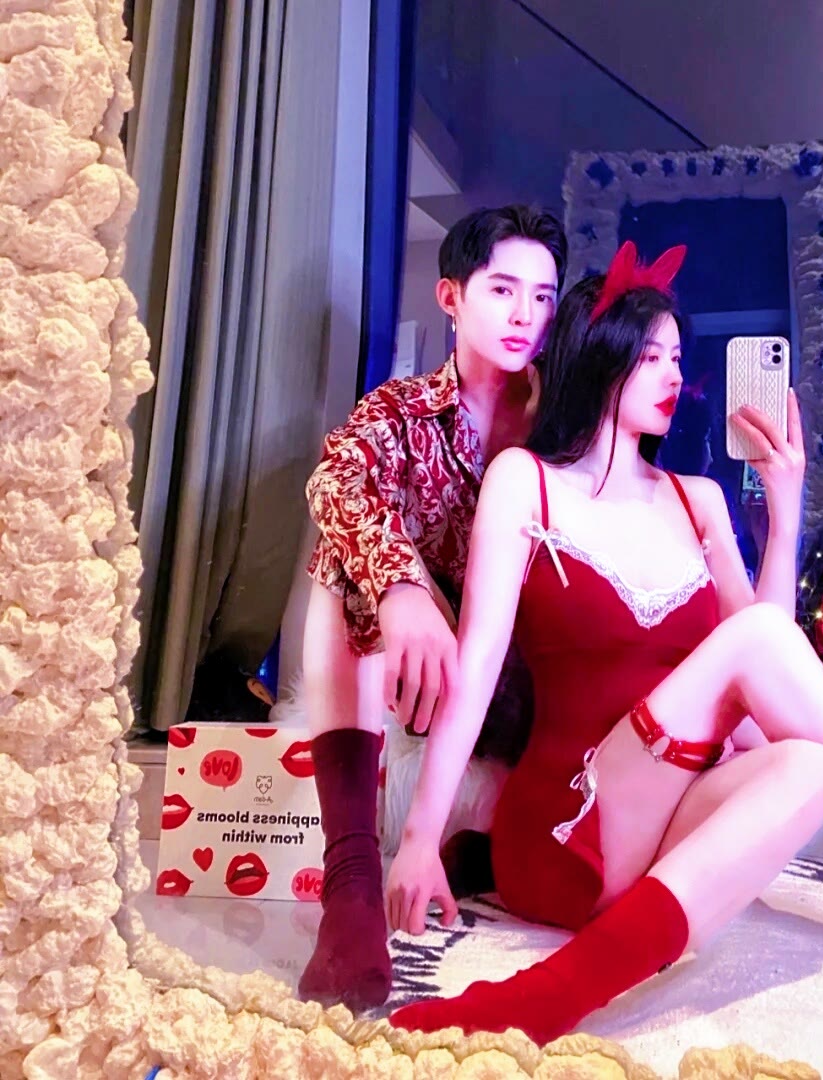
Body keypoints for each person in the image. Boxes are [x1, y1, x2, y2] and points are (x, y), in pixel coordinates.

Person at [384, 241, 823, 1045]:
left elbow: (768, 679)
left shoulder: (696, 499)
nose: (674, 376)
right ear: (600, 359)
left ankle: (559, 992)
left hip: (668, 824)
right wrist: (419, 839)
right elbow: (479, 665)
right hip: (568, 823)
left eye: (677, 358)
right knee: (758, 640)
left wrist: (785, 505)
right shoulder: (526, 482)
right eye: (651, 357)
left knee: (817, 762)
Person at [298, 205, 568, 1011]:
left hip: (541, 681)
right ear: (451, 297)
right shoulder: (403, 411)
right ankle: (351, 880)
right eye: (503, 290)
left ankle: (486, 846)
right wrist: (402, 585)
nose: (525, 315)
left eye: (544, 297)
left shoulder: (568, 420)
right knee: (342, 562)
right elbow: (335, 480)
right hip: (430, 673)